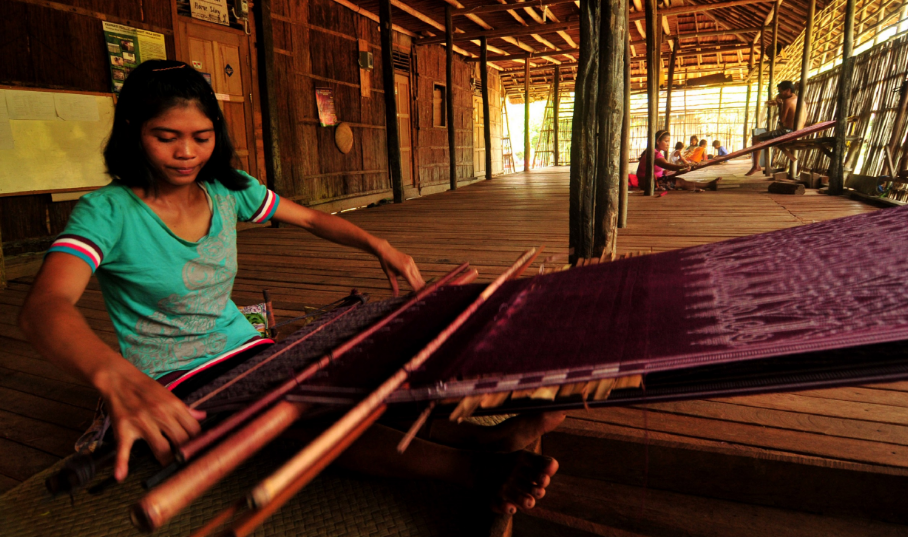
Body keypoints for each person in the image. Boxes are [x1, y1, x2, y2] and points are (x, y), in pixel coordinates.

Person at [17, 60, 560, 516]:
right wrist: (114, 375)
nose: (187, 153)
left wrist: (380, 245)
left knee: (346, 371)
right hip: (173, 378)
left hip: (245, 348)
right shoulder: (107, 212)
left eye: (201, 138)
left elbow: (311, 220)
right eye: (166, 137)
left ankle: (477, 436)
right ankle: (472, 464)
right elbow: (45, 306)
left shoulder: (226, 189)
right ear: (133, 130)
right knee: (288, 415)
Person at [636, 130, 720, 191]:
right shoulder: (654, 154)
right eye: (666, 141)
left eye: (669, 142)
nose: (668, 144)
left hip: (650, 181)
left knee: (680, 180)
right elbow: (668, 166)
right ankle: (709, 184)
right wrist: (684, 166)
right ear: (658, 141)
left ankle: (707, 185)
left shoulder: (652, 152)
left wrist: (676, 170)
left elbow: (665, 168)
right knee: (680, 182)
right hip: (649, 183)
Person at [746, 80, 800, 176]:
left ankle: (756, 166)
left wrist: (780, 106)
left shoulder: (787, 101)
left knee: (756, 139)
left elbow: (782, 120)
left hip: (788, 132)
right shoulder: (799, 100)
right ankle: (756, 165)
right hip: (797, 131)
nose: (779, 94)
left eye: (780, 91)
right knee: (764, 137)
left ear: (788, 90)